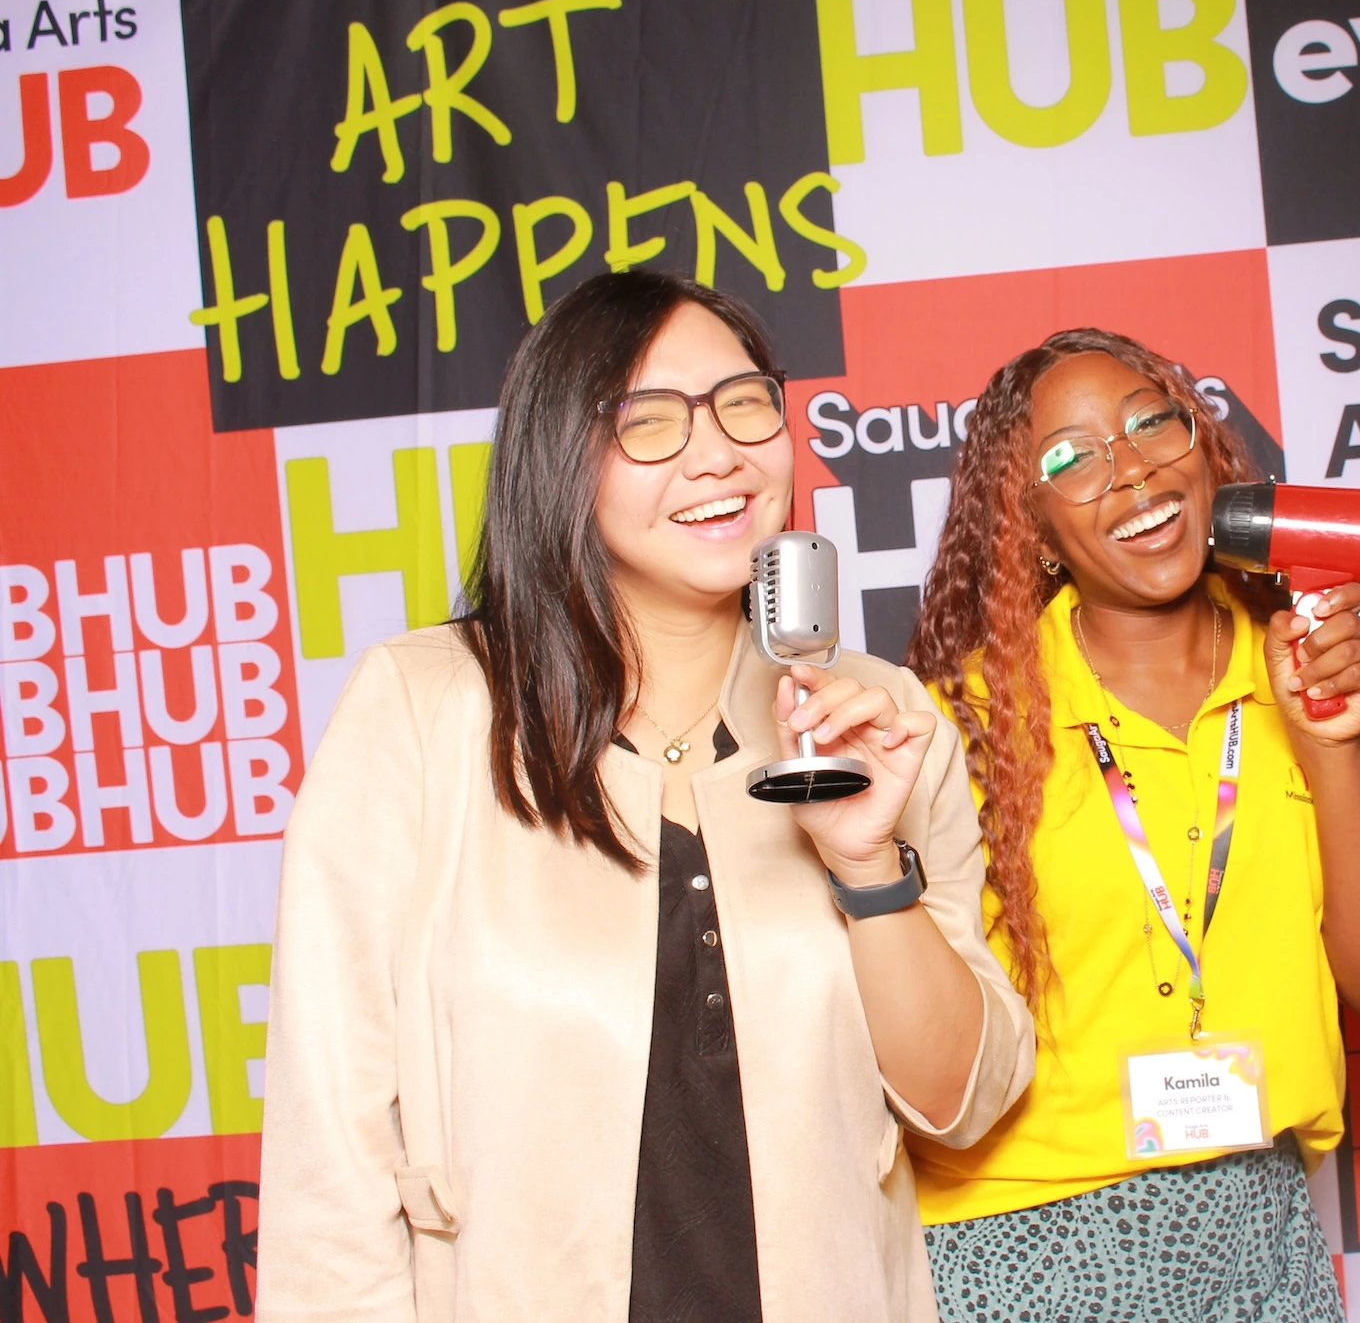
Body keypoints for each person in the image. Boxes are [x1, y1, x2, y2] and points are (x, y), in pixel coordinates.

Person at [255, 271, 1034, 1323]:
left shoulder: (878, 717)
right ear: (558, 457)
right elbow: (329, 1132)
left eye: (744, 403)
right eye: (648, 421)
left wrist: (866, 870)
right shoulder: (425, 707)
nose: (717, 453)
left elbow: (962, 1100)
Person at [905, 328, 1360, 1321]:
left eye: (1149, 423)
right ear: (1027, 524)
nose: (1129, 474)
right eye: (1069, 459)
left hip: (1258, 1237)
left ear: (1200, 445)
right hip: (1022, 1239)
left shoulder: (1324, 682)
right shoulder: (961, 727)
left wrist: (1328, 744)